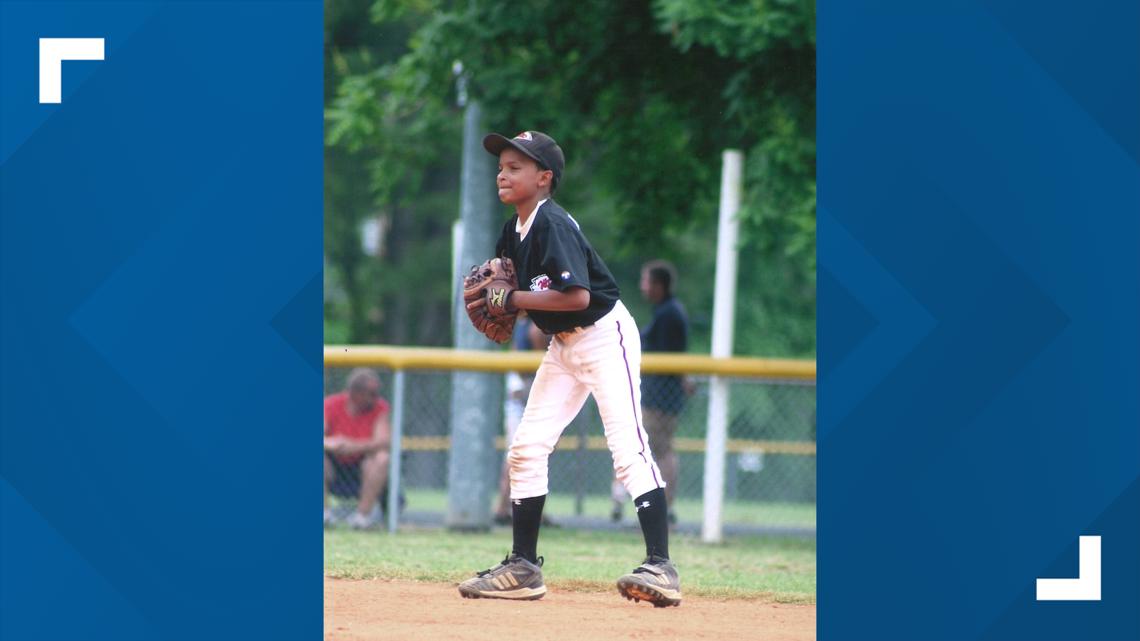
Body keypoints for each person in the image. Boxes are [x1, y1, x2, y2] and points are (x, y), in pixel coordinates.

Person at [458, 130, 680, 607]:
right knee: (527, 448)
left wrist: (513, 299)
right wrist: (508, 303)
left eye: (516, 166)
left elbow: (576, 296)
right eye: (501, 164)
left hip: (604, 335)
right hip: (564, 345)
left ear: (544, 178)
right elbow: (514, 291)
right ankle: (523, 566)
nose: (502, 172)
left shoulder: (550, 224)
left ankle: (661, 566)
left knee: (627, 447)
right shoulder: (512, 230)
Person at [611, 260, 689, 525]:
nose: (642, 286)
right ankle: (653, 505)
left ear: (658, 285)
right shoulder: (665, 312)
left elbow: (668, 358)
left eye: (646, 281)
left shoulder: (669, 313)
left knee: (657, 450)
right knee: (656, 449)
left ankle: (661, 507)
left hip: (659, 399)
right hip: (660, 397)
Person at [493, 318, 554, 525]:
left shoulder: (526, 323)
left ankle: (510, 508)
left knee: (526, 455)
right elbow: (537, 368)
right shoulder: (532, 326)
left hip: (525, 394)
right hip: (527, 396)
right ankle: (505, 508)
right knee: (522, 455)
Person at [323, 368, 391, 529]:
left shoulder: (380, 408)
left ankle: (361, 518)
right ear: (355, 393)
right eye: (372, 393)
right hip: (334, 465)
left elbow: (383, 441)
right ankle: (323, 515)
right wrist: (331, 443)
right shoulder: (331, 404)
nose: (376, 398)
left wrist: (351, 446)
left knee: (382, 458)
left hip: (361, 467)